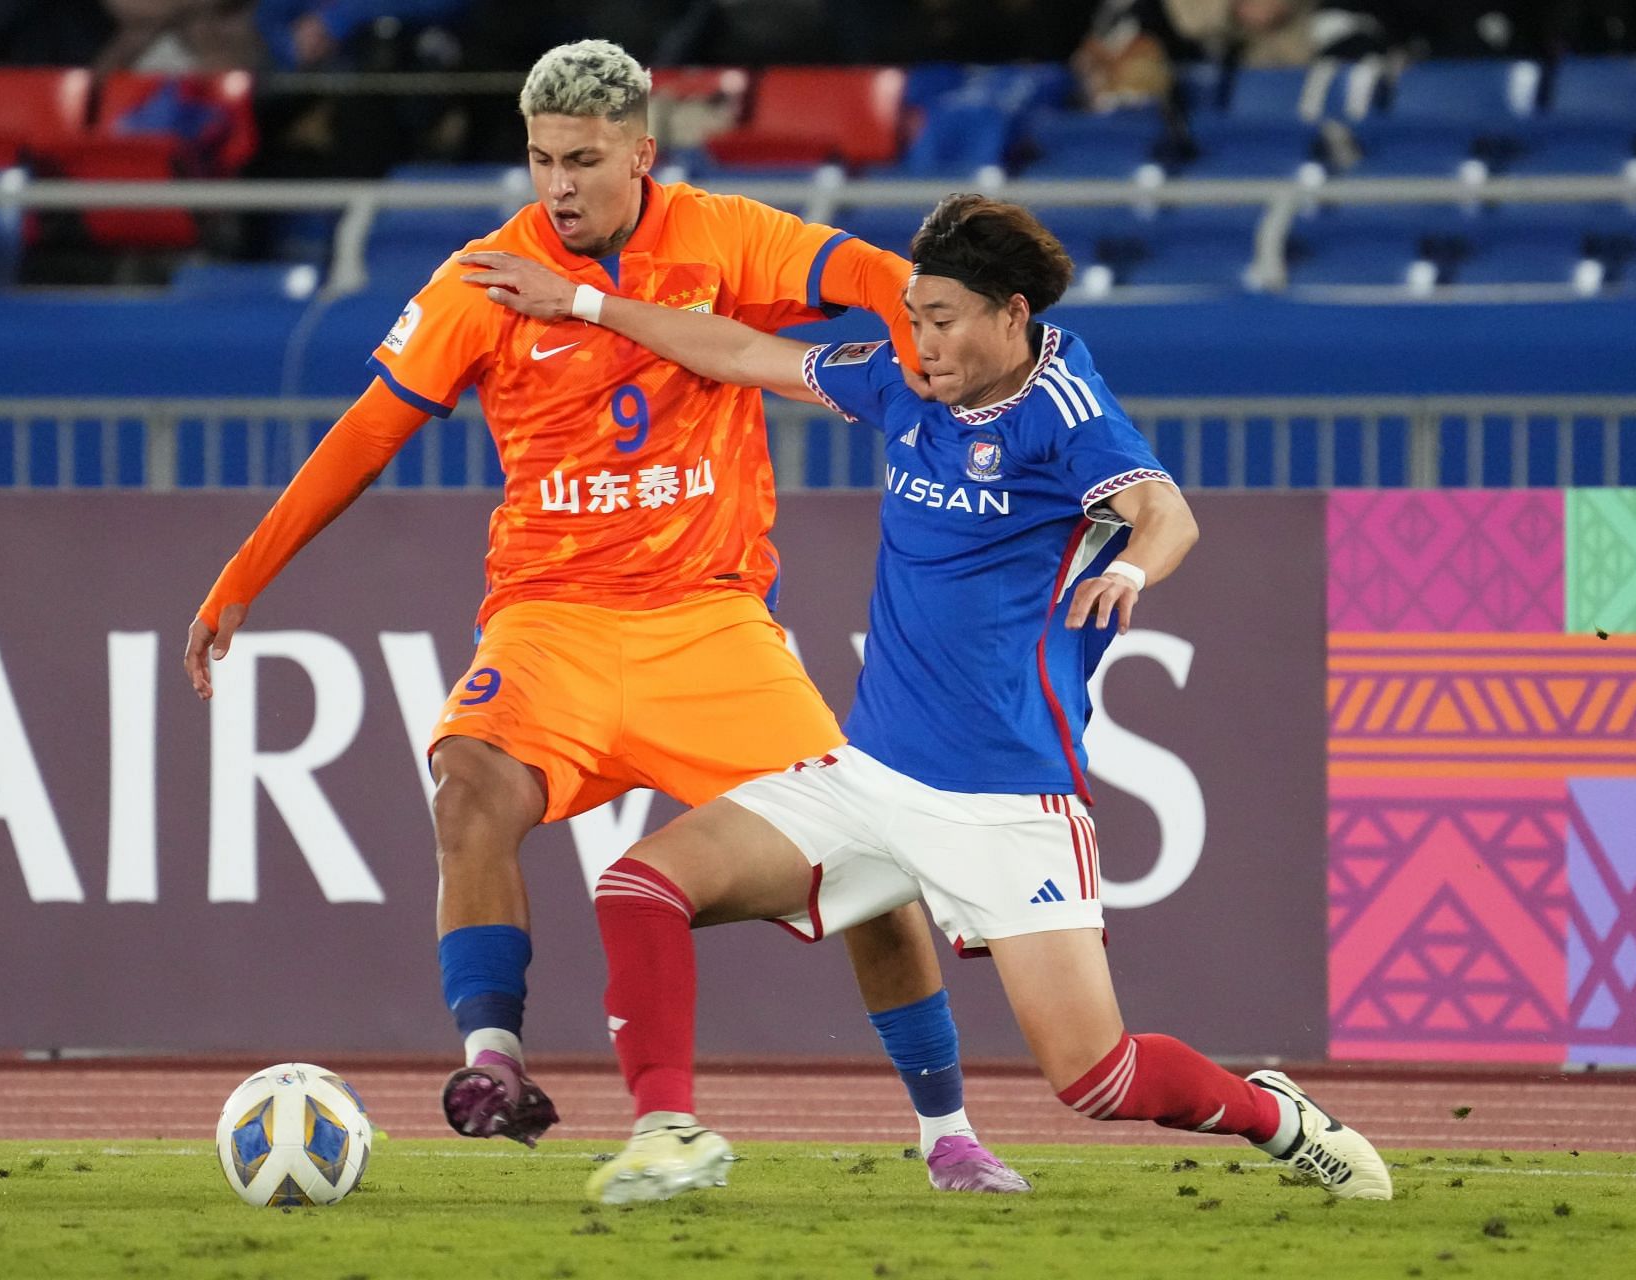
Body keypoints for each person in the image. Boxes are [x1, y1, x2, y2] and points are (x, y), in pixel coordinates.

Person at [184, 39, 1029, 1195]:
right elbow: (366, 435)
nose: (558, 186)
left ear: (644, 150)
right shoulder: (481, 279)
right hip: (553, 620)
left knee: (872, 857)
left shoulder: (727, 234)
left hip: (712, 625)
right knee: (470, 783)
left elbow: (883, 278)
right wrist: (243, 576)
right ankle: (494, 1063)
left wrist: (937, 380)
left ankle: (949, 1133)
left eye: (582, 159)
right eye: (539, 160)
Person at [460, 192, 1395, 1205]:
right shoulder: (905, 384)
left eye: (943, 317)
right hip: (867, 781)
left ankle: (1273, 1112)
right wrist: (588, 304)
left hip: (1005, 800)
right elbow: (735, 352)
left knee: (1099, 1077)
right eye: (912, 314)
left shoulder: (1063, 413)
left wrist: (1133, 571)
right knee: (640, 885)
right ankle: (669, 1130)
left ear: (1013, 313)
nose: (922, 338)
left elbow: (1161, 509)